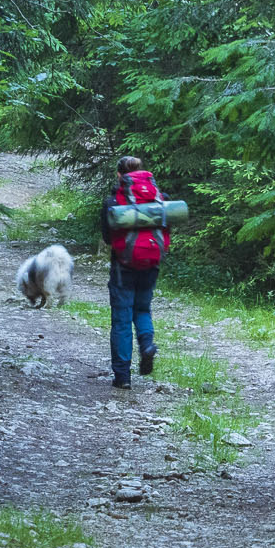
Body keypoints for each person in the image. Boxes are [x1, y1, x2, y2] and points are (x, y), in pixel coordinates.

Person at [99, 155, 169, 388]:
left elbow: (108, 237)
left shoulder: (113, 202)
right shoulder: (159, 199)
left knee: (121, 319)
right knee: (142, 309)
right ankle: (147, 344)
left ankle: (122, 377)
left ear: (120, 175)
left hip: (123, 266)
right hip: (151, 263)